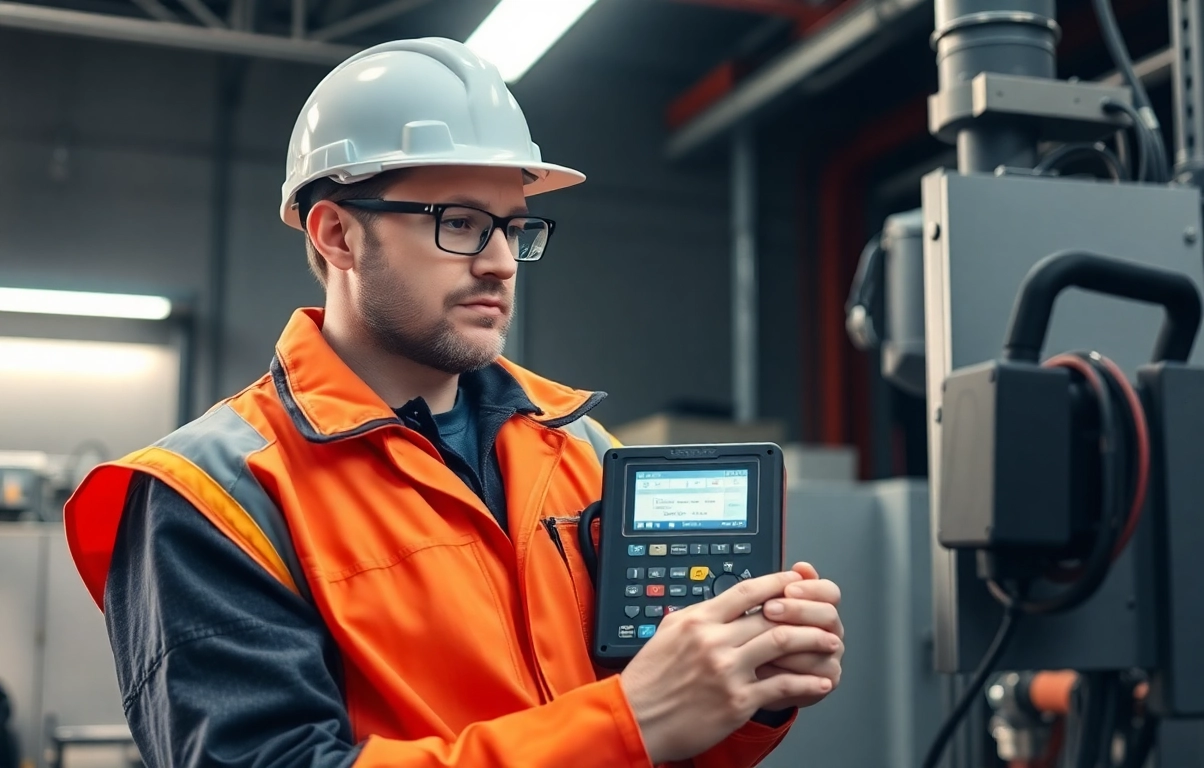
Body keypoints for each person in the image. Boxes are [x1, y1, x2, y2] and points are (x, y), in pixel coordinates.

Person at [63, 37, 844, 768]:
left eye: (513, 226)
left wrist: (746, 688)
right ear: (336, 234)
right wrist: (625, 722)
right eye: (461, 223)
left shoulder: (582, 452)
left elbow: (662, 740)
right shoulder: (214, 497)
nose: (503, 262)